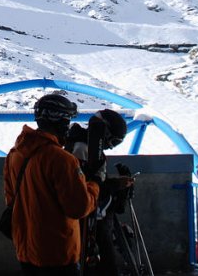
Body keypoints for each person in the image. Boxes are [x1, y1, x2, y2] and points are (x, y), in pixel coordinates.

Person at [4, 93, 101, 275]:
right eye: (67, 120)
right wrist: (95, 184)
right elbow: (78, 208)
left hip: (25, 249)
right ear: (61, 122)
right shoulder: (62, 160)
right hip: (57, 252)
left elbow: (11, 200)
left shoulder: (15, 154)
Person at [64, 109, 133, 276]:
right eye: (114, 141)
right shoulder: (81, 149)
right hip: (89, 223)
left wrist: (117, 185)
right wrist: (115, 185)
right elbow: (84, 185)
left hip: (96, 219)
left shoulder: (90, 149)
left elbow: (95, 182)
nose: (111, 146)